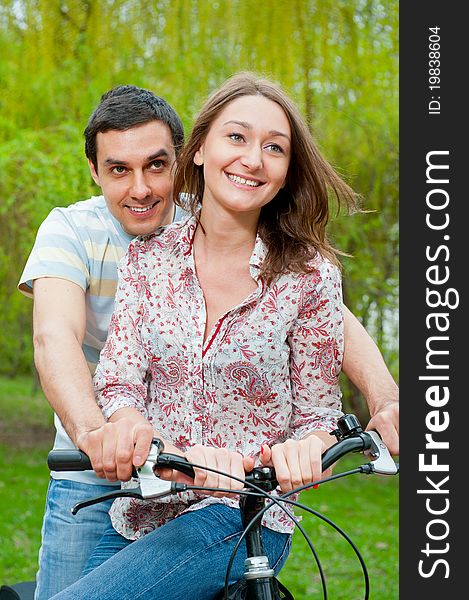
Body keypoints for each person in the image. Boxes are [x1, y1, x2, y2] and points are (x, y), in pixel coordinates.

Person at [19, 83, 398, 599]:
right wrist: (103, 431)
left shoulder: (293, 260)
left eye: (156, 166)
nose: (141, 189)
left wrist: (374, 407)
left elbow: (328, 333)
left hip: (236, 505)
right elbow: (56, 340)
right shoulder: (109, 242)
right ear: (95, 171)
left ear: (181, 159)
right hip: (117, 483)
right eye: (118, 170)